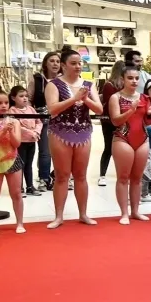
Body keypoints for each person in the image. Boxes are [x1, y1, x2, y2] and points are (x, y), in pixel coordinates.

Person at [45, 49, 103, 229]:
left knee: (81, 175)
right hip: (60, 132)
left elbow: (99, 109)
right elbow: (52, 109)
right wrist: (75, 98)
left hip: (83, 132)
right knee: (62, 175)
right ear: (63, 65)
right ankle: (59, 216)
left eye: (80, 63)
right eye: (73, 63)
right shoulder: (53, 85)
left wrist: (85, 100)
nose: (78, 66)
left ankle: (83, 213)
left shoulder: (88, 84)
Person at [109, 65, 151, 225]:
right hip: (122, 138)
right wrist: (131, 110)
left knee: (137, 178)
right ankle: (124, 213)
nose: (134, 81)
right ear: (122, 79)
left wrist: (149, 114)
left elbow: (146, 122)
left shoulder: (144, 97)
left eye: (137, 78)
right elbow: (115, 121)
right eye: (130, 78)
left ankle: (135, 211)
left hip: (142, 139)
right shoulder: (116, 97)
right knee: (123, 178)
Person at [27, 51, 60, 191]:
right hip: (42, 118)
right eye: (52, 61)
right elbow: (29, 99)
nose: (55, 64)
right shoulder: (37, 79)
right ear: (45, 63)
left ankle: (59, 176)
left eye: (58, 61)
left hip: (60, 119)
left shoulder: (63, 80)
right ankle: (44, 178)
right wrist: (31, 117)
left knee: (61, 151)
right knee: (45, 151)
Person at [8, 85, 43, 197]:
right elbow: (17, 125)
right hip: (20, 142)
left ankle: (30, 186)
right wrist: (31, 133)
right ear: (13, 98)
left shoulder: (31, 109)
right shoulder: (12, 111)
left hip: (32, 142)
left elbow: (39, 122)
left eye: (26, 96)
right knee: (20, 165)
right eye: (21, 96)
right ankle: (19, 187)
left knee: (29, 164)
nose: (25, 98)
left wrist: (36, 132)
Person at [0, 91, 26, 233]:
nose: (3, 106)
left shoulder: (14, 121)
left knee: (16, 193)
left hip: (13, 160)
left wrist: (10, 132)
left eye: (6, 103)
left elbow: (17, 144)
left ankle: (20, 223)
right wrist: (3, 131)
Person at [98, 60, 125, 187]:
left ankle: (122, 173)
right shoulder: (109, 85)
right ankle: (102, 175)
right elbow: (110, 103)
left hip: (121, 119)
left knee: (122, 149)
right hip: (109, 120)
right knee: (108, 147)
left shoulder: (123, 85)